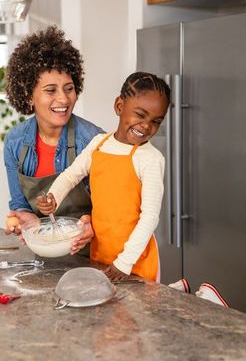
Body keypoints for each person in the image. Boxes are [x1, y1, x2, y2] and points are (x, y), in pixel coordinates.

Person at [36, 72, 170, 281]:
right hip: (100, 254)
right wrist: (53, 198)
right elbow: (71, 175)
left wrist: (124, 262)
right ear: (119, 106)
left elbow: (150, 217)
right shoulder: (99, 143)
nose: (146, 126)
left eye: (156, 121)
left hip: (135, 262)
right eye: (140, 114)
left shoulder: (151, 159)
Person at [3, 26, 104, 250]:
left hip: (93, 254)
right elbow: (20, 203)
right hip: (45, 253)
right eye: (50, 90)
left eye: (69, 88)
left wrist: (92, 226)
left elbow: (112, 209)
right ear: (29, 95)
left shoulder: (94, 140)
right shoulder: (14, 142)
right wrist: (26, 219)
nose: (63, 99)